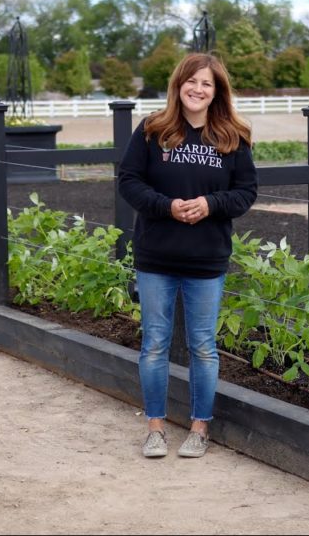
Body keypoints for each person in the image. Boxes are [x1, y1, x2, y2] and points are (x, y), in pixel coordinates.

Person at [117, 53, 258, 459]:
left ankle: (199, 428)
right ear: (179, 85)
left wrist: (210, 204)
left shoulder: (233, 136)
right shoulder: (152, 130)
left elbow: (246, 191)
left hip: (206, 258)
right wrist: (167, 206)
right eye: (191, 81)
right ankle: (156, 428)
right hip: (156, 256)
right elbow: (129, 180)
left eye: (207, 84)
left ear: (217, 92)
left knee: (202, 346)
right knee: (155, 344)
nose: (198, 89)